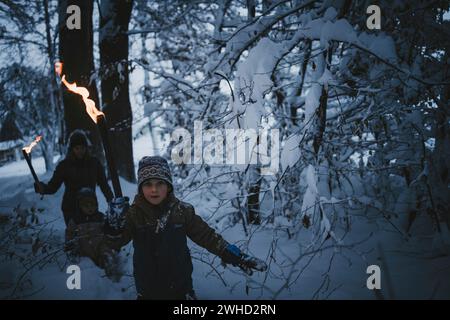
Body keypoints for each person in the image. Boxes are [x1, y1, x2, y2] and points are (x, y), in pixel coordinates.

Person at [111, 156, 267, 300]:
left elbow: (207, 236)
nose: (154, 189)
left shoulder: (182, 212)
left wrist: (234, 254)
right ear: (140, 188)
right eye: (148, 184)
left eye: (160, 183)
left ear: (169, 186)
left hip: (182, 290)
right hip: (147, 292)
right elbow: (116, 241)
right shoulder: (133, 215)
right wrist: (114, 225)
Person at [34, 130, 113, 226]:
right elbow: (53, 187)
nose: (80, 151)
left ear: (86, 148)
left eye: (83, 148)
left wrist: (111, 200)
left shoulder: (94, 163)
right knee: (76, 237)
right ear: (72, 149)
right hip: (71, 208)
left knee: (93, 235)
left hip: (89, 206)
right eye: (77, 148)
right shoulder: (64, 166)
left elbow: (104, 184)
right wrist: (42, 188)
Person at [65, 187, 122, 281]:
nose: (90, 207)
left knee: (108, 256)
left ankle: (113, 279)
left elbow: (109, 231)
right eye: (86, 205)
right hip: (84, 250)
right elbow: (69, 234)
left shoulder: (101, 217)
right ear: (79, 206)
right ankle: (92, 281)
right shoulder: (75, 220)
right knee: (85, 265)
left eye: (92, 204)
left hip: (100, 247)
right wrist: (70, 245)